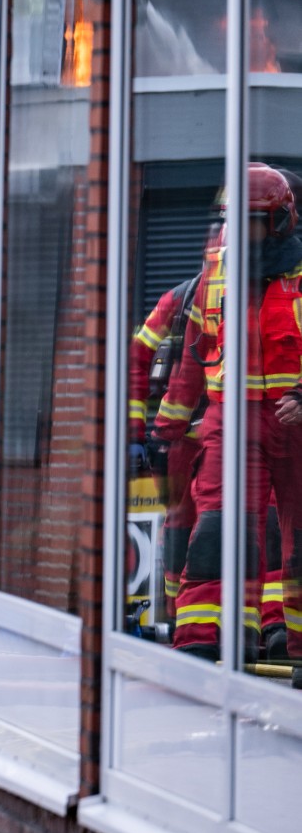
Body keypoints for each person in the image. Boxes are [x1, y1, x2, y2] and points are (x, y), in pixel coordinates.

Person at [158, 164, 302, 664]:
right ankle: (200, 637)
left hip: (295, 426)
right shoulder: (216, 270)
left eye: (254, 222)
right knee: (217, 531)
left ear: (281, 220)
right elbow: (194, 353)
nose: (242, 233)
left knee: (296, 540)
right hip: (232, 423)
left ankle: (295, 645)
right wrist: (167, 430)